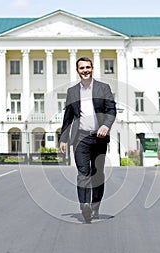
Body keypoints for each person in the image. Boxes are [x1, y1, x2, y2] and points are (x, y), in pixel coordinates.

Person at [60, 57, 116, 223]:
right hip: (81, 137)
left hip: (99, 137)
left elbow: (111, 110)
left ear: (92, 69)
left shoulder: (103, 88)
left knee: (97, 173)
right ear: (77, 71)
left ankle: (95, 205)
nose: (85, 70)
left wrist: (106, 126)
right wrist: (63, 139)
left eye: (87, 67)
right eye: (82, 68)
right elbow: (68, 116)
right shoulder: (72, 92)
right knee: (83, 172)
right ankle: (84, 205)